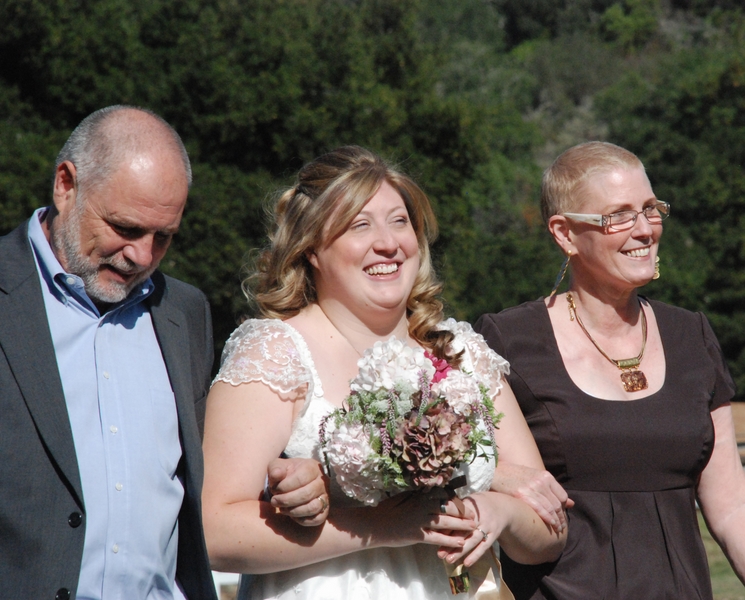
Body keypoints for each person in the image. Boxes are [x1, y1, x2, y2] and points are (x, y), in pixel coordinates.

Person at [201, 145, 567, 600]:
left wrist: (497, 512)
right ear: (311, 248)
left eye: (400, 221)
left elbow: (550, 531)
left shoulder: (463, 355)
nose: (389, 243)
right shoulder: (276, 352)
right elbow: (213, 531)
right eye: (360, 225)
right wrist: (380, 527)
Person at [0, 105, 325, 600]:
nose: (142, 257)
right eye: (125, 228)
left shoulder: (184, 313)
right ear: (66, 185)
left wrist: (289, 480)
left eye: (164, 238)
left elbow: (206, 476)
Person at [475, 141, 745, 599]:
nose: (644, 230)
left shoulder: (692, 336)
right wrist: (496, 474)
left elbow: (731, 507)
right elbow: (459, 464)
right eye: (618, 215)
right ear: (564, 233)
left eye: (650, 209)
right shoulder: (506, 342)